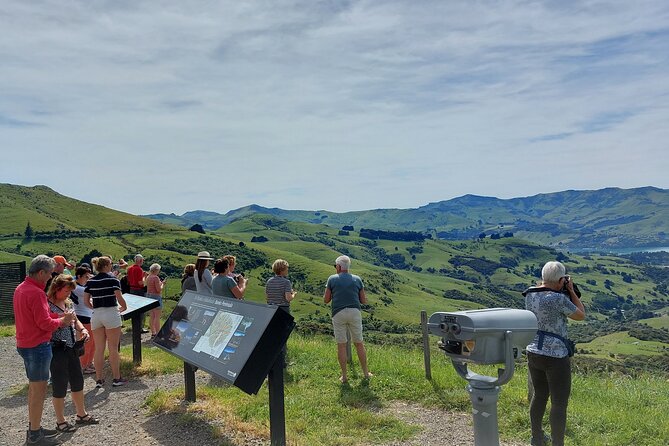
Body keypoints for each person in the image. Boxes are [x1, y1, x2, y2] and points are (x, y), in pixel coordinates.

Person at [14, 255, 76, 446]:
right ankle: (34, 435)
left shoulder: (21, 288)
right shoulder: (36, 292)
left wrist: (55, 315)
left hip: (25, 344)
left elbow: (36, 315)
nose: (51, 277)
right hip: (38, 346)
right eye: (49, 273)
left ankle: (35, 427)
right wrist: (63, 321)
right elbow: (44, 323)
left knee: (34, 389)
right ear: (41, 273)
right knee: (39, 391)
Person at [524, 261, 585, 446]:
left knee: (539, 395)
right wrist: (572, 291)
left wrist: (561, 286)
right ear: (561, 280)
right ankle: (558, 443)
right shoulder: (557, 299)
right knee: (559, 403)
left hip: (534, 351)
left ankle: (537, 438)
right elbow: (581, 315)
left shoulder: (529, 294)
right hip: (556, 356)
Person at [47, 275, 100, 433]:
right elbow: (45, 325)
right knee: (60, 384)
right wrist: (63, 320)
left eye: (70, 291)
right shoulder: (47, 305)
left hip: (71, 347)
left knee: (77, 381)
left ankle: (81, 415)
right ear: (57, 288)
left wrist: (82, 329)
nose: (68, 294)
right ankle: (60, 421)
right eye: (66, 291)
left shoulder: (68, 302)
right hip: (56, 349)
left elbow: (74, 319)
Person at [323, 255, 371, 383]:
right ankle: (366, 373)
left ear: (338, 267)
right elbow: (363, 300)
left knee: (342, 345)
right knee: (359, 343)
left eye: (335, 266)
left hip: (338, 313)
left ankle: (344, 376)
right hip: (355, 312)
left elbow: (326, 300)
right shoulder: (357, 279)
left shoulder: (332, 279)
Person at [84, 256, 128, 388]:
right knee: (113, 348)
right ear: (106, 265)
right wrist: (124, 307)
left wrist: (95, 309)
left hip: (96, 315)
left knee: (99, 348)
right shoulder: (113, 279)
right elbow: (119, 298)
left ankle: (99, 379)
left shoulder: (91, 281)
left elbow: (86, 301)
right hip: (111, 313)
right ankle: (116, 378)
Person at [71, 266, 96, 374]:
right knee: (87, 343)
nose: (88, 279)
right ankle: (84, 365)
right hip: (84, 317)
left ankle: (88, 363)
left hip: (88, 316)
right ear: (79, 276)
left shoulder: (78, 286)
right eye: (86, 277)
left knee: (93, 343)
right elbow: (92, 292)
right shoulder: (78, 288)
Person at [126, 254, 149, 333]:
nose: (143, 262)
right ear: (140, 261)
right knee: (141, 310)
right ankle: (140, 328)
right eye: (142, 260)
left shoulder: (129, 268)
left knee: (134, 309)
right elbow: (140, 283)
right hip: (139, 290)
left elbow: (129, 280)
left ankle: (134, 326)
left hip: (131, 289)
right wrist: (145, 277)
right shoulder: (139, 269)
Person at [145, 263, 166, 337]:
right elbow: (158, 290)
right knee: (157, 316)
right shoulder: (156, 278)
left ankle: (153, 332)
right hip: (156, 297)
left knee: (152, 316)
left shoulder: (148, 277)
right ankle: (158, 333)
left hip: (149, 297)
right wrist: (163, 284)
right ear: (156, 270)